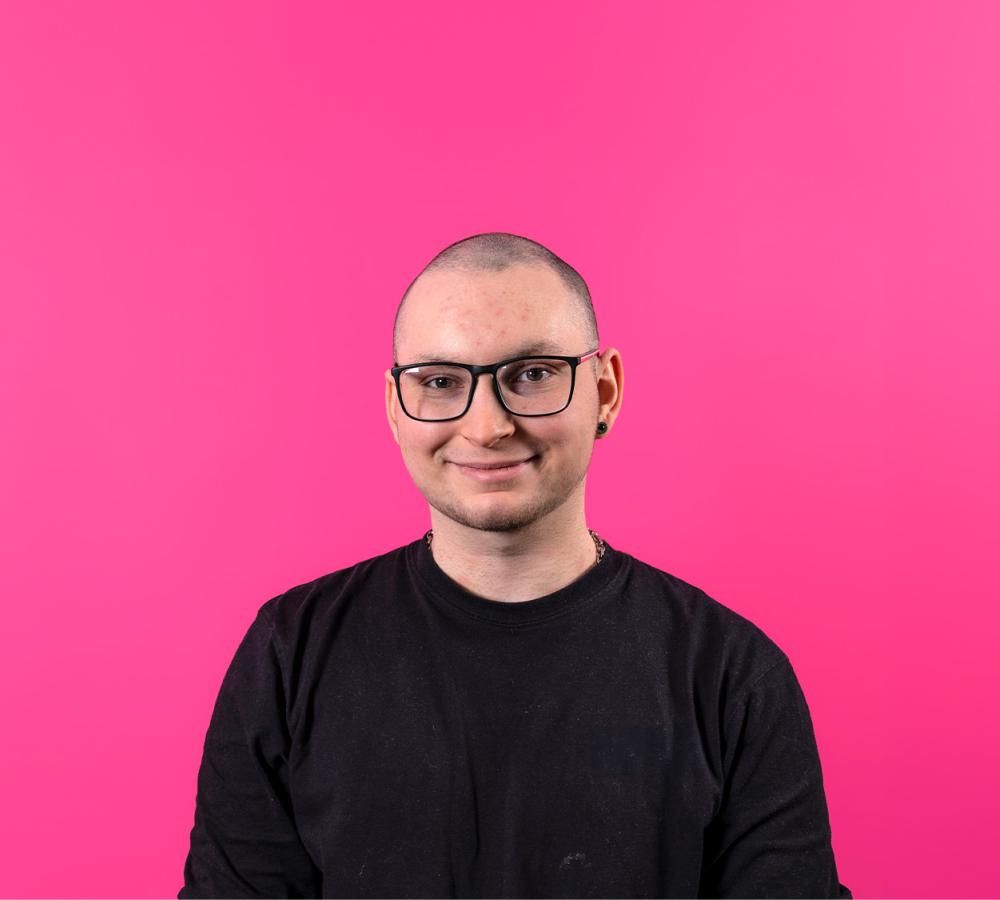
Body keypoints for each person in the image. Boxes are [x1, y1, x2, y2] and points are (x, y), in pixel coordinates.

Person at [178, 232, 851, 898]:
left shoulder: (732, 676)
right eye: (440, 382)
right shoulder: (291, 654)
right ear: (395, 408)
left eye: (531, 375)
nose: (487, 424)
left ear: (605, 389)